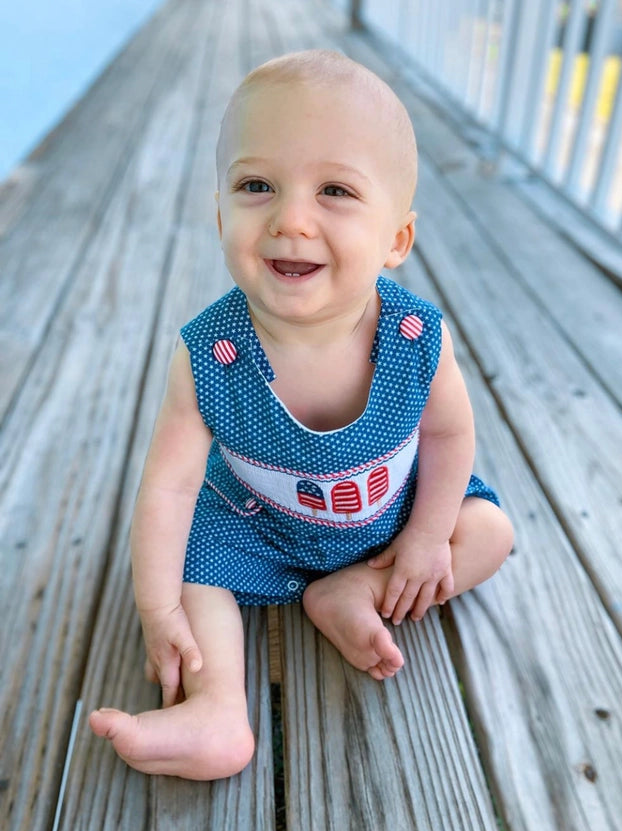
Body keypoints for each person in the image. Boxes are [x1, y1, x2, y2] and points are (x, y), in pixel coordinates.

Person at [89, 49, 514, 780]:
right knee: (190, 567)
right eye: (258, 185)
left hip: (392, 518)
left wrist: (423, 537)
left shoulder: (415, 339)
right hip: (257, 521)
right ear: (222, 214)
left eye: (335, 192)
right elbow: (166, 490)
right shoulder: (209, 356)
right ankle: (217, 708)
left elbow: (447, 437)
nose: (290, 220)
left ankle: (358, 590)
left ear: (396, 241)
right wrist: (158, 611)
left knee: (489, 533)